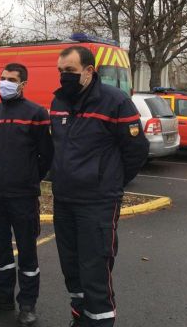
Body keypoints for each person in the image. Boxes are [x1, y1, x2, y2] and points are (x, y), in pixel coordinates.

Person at [50, 46, 149, 327]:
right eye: (60, 71)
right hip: (64, 200)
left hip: (98, 203)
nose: (63, 76)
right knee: (71, 268)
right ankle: (80, 318)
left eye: (69, 71)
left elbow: (136, 151)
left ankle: (101, 322)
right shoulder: (58, 102)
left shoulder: (115, 101)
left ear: (89, 71)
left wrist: (109, 181)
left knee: (95, 270)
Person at [0, 63, 53, 326]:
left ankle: (27, 304)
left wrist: (29, 178)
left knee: (27, 250)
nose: (4, 82)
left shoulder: (36, 113)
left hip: (23, 196)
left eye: (11, 79)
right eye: (2, 78)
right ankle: (2, 295)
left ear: (23, 84)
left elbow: (46, 155)